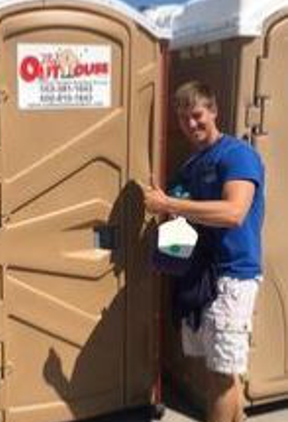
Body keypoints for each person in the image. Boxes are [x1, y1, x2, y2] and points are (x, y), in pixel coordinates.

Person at [143, 81, 265, 422]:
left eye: (196, 115)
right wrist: (167, 258)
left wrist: (169, 202)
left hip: (232, 277)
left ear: (213, 111)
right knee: (220, 373)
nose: (191, 124)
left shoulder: (236, 154)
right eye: (183, 119)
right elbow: (182, 220)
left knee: (222, 376)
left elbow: (234, 212)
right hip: (201, 278)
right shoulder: (192, 164)